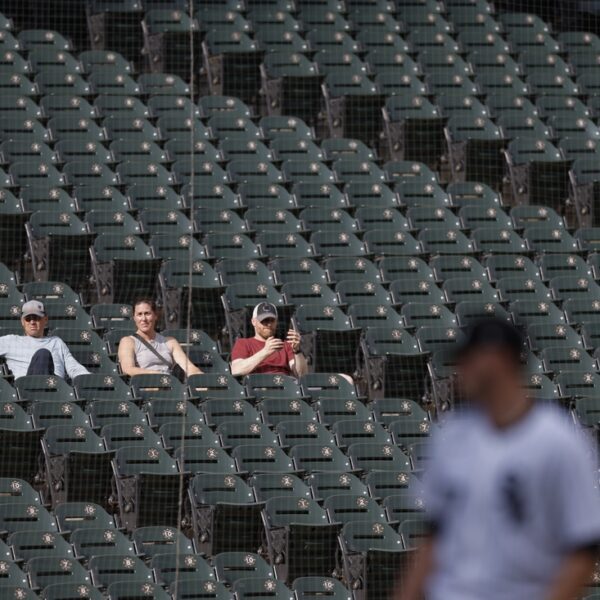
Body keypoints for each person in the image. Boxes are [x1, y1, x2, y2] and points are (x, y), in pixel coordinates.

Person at [397, 318, 600, 600]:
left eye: (468, 360)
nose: (459, 371)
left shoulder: (559, 441)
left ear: (498, 360)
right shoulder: (451, 435)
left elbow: (584, 548)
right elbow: (433, 535)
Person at [0, 300, 89, 380]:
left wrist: (90, 379)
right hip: (28, 389)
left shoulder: (56, 342)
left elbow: (73, 367)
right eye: (28, 319)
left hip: (56, 390)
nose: (32, 322)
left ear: (45, 320)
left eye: (36, 318)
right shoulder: (11, 341)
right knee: (43, 354)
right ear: (22, 321)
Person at [118, 298, 203, 377]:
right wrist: (158, 375)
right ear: (134, 318)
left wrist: (200, 376)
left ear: (155, 316)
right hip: (146, 386)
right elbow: (128, 369)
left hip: (170, 385)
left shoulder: (170, 342)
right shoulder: (128, 341)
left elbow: (188, 367)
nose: (143, 319)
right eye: (139, 314)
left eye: (147, 313)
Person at [230, 302, 308, 377]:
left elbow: (301, 374)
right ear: (254, 322)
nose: (269, 324)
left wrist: (297, 351)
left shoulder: (285, 345)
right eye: (264, 320)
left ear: (276, 322)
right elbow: (236, 370)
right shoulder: (244, 343)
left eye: (272, 320)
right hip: (258, 387)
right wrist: (266, 351)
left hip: (283, 386)